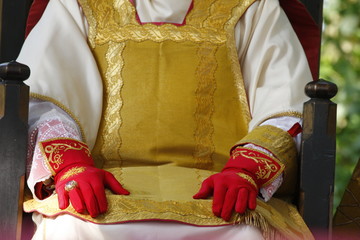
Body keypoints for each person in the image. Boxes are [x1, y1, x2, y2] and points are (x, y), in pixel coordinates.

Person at [18, 0, 319, 239]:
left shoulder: (252, 5)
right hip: (101, 185)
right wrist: (71, 165)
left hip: (221, 191)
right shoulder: (79, 3)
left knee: (246, 234)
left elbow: (285, 108)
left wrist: (246, 170)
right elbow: (43, 99)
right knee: (70, 229)